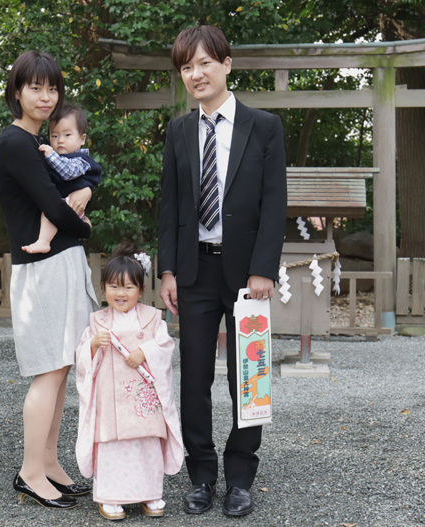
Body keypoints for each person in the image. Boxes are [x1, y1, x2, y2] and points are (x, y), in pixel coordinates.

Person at [157, 25, 287, 517]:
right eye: (186, 67)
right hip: (192, 273)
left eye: (204, 63)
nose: (196, 74)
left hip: (245, 277)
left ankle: (240, 476)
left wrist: (262, 270)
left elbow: (274, 204)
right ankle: (202, 475)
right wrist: (167, 270)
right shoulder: (178, 130)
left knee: (246, 377)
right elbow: (170, 205)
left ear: (227, 65)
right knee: (193, 378)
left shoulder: (264, 126)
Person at [0, 50, 98, 510]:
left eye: (52, 88)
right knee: (48, 373)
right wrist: (85, 224)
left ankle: (50, 464)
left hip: (60, 266)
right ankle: (30, 471)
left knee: (60, 371)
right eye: (35, 87)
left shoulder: (44, 145)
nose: (45, 96)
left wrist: (85, 196)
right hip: (42, 271)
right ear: (17, 91)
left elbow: (76, 189)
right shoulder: (17, 142)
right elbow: (57, 209)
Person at [74, 243, 184, 520]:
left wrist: (144, 352)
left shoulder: (152, 319)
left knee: (145, 443)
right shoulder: (97, 322)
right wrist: (93, 346)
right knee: (113, 446)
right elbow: (81, 358)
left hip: (141, 400)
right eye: (113, 286)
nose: (120, 293)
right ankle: (111, 495)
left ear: (141, 290)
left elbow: (165, 346)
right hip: (111, 401)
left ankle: (149, 493)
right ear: (103, 289)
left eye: (128, 287)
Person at [22, 103, 102, 254]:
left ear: (82, 139)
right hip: (67, 206)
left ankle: (43, 241)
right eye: (54, 135)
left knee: (50, 212)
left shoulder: (81, 160)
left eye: (67, 135)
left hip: (69, 204)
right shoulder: (55, 155)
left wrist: (51, 156)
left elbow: (68, 172)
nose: (60, 140)